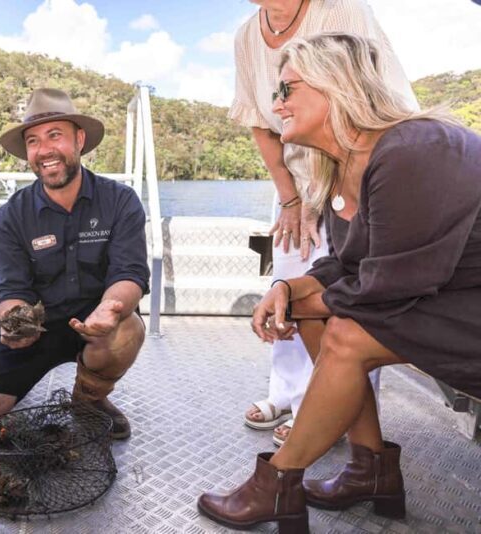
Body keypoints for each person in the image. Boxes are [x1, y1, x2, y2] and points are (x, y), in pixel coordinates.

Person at [198, 32, 481, 532]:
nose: (276, 105)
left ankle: (278, 485)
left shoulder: (415, 149)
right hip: (445, 296)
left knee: (347, 333)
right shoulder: (340, 171)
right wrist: (289, 290)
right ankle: (369, 469)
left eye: (286, 90)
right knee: (314, 309)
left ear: (336, 85)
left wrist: (314, 293)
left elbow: (388, 283)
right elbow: (351, 269)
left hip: (463, 301)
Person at [231, 0, 418, 446]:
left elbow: (363, 98)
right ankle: (291, 393)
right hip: (301, 181)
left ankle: (334, 409)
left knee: (347, 300)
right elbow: (261, 122)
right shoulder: (245, 36)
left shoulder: (343, 9)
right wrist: (292, 198)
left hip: (359, 170)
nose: (280, 102)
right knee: (291, 286)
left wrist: (340, 185)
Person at [0, 88, 149, 439]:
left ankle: (88, 400)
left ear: (79, 140)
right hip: (36, 329)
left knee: (128, 330)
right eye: (33, 141)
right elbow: (12, 289)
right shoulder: (12, 215)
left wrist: (110, 310)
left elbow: (129, 273)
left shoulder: (120, 201)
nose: (44, 150)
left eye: (55, 135)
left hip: (94, 325)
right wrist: (13, 324)